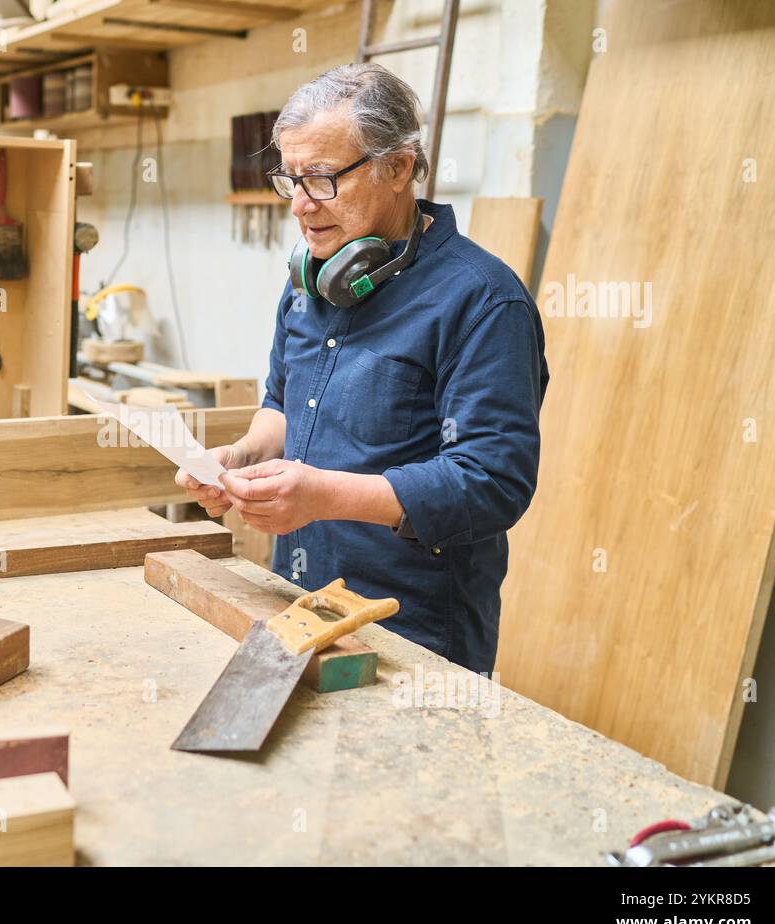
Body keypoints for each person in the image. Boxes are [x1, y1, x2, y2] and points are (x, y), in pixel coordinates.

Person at [176, 63, 549, 674]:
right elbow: (282, 405)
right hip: (297, 600)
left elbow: (491, 483)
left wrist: (320, 495)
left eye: (322, 180)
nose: (299, 206)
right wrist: (241, 457)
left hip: (413, 633)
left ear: (399, 167)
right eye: (290, 180)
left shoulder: (483, 301)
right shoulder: (310, 282)